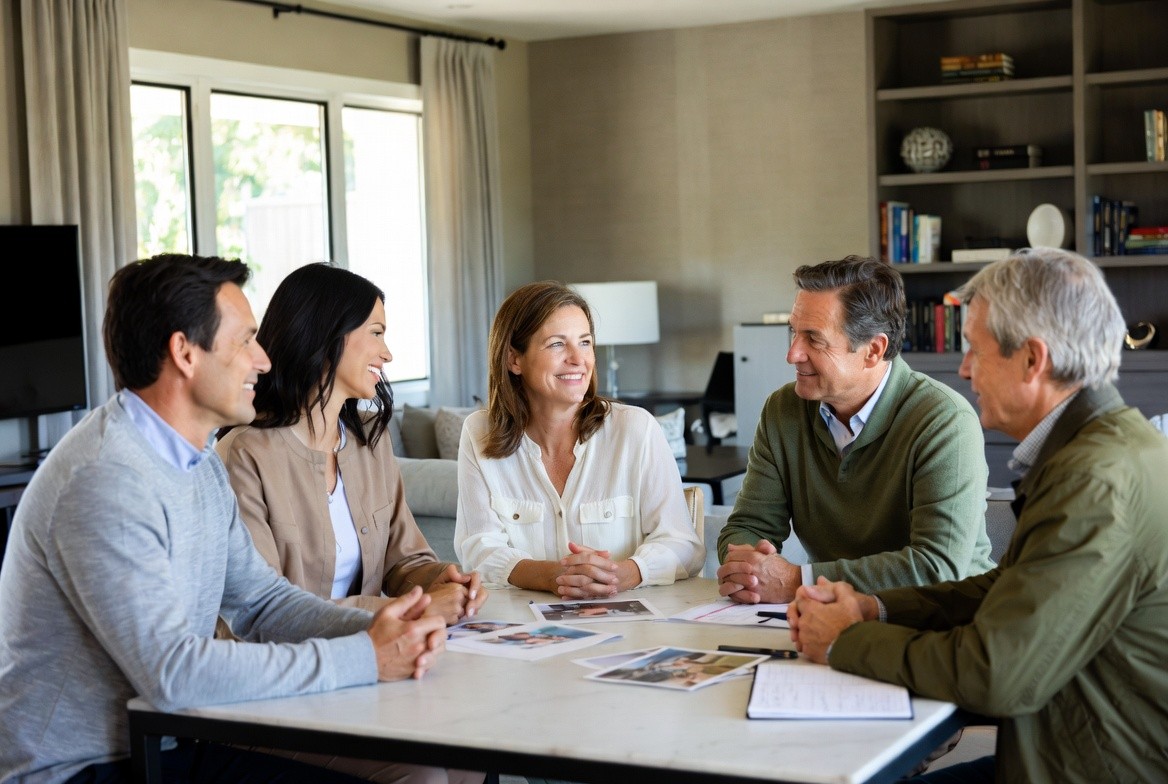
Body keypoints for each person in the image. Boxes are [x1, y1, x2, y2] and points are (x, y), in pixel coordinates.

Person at [0, 254, 447, 784]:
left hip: (171, 741)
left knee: (449, 764)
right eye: (244, 341)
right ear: (184, 353)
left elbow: (262, 601)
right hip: (85, 767)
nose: (263, 359)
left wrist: (386, 628)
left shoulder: (200, 465)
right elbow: (174, 673)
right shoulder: (105, 479)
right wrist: (366, 657)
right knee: (418, 776)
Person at [789, 248, 1168, 783]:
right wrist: (875, 608)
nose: (964, 369)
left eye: (975, 350)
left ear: (1033, 361)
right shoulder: (1105, 445)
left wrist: (845, 640)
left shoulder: (1092, 480)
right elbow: (1008, 589)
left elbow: (997, 674)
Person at [217, 262, 487, 625]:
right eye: (377, 333)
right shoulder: (245, 454)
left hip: (379, 655)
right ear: (327, 334)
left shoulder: (370, 442)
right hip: (294, 666)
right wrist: (397, 610)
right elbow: (266, 607)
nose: (387, 353)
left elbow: (404, 560)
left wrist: (439, 579)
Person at [717, 255, 993, 605]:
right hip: (834, 614)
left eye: (814, 339)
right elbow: (748, 525)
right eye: (793, 332)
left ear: (872, 351)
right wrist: (747, 565)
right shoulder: (783, 410)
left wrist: (798, 580)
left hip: (944, 620)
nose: (792, 354)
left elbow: (935, 567)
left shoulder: (944, 421)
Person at [455, 280, 704, 597]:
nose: (578, 358)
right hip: (524, 631)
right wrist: (552, 576)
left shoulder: (636, 429)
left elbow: (684, 544)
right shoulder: (479, 433)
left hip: (631, 628)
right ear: (513, 359)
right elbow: (478, 549)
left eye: (585, 342)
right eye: (557, 344)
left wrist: (622, 574)